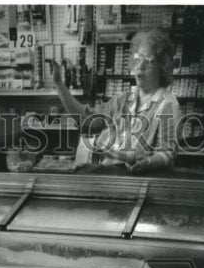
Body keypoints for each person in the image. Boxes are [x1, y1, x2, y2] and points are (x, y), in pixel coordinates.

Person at [50, 29, 181, 173]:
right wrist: (59, 84)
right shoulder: (123, 99)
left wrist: (146, 163)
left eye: (148, 61)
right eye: (138, 59)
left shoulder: (167, 105)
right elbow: (86, 122)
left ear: (162, 67)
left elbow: (167, 154)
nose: (140, 66)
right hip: (109, 178)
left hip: (140, 183)